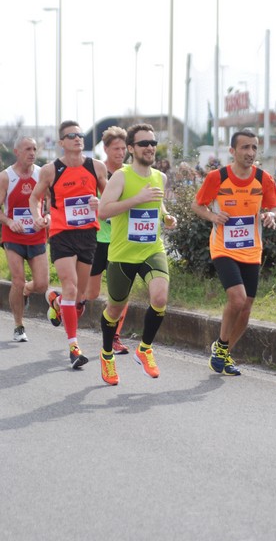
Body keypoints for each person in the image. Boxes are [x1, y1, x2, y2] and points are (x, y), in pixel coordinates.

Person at [191, 129, 276, 376]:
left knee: (247, 307)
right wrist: (212, 215)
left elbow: (275, 208)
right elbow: (197, 205)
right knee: (238, 299)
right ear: (232, 151)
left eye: (254, 147)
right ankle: (220, 346)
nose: (250, 152)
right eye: (245, 147)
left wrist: (270, 215)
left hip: (252, 249)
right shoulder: (217, 177)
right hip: (223, 247)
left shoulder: (264, 178)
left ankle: (225, 353)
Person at [97, 123, 177, 385]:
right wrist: (136, 199)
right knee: (115, 309)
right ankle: (107, 355)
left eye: (153, 143)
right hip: (122, 254)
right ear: (131, 148)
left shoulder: (160, 177)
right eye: (143, 143)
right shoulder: (121, 176)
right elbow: (104, 211)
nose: (150, 148)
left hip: (151, 249)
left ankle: (145, 349)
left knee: (160, 297)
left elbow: (157, 202)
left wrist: (166, 217)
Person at [30, 120, 108, 369]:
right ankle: (74, 348)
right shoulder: (50, 170)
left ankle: (55, 300)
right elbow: (35, 198)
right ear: (62, 142)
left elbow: (109, 197)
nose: (77, 138)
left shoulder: (97, 167)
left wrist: (100, 202)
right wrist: (37, 217)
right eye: (71, 135)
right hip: (62, 233)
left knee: (80, 298)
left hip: (88, 234)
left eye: (80, 135)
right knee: (71, 287)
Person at [84, 125, 130, 354]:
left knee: (122, 293)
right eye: (116, 148)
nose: (120, 153)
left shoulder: (130, 174)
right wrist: (93, 203)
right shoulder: (96, 172)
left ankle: (114, 337)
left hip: (122, 240)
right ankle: (62, 299)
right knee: (91, 293)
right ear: (106, 148)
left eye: (123, 148)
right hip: (98, 239)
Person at [0, 137, 49, 342]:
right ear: (17, 151)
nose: (32, 152)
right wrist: (10, 222)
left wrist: (47, 217)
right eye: (28, 149)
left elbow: (51, 205)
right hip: (13, 236)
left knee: (42, 285)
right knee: (18, 280)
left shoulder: (42, 174)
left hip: (36, 235)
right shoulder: (5, 177)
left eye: (35, 149)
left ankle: (27, 291)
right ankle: (19, 325)